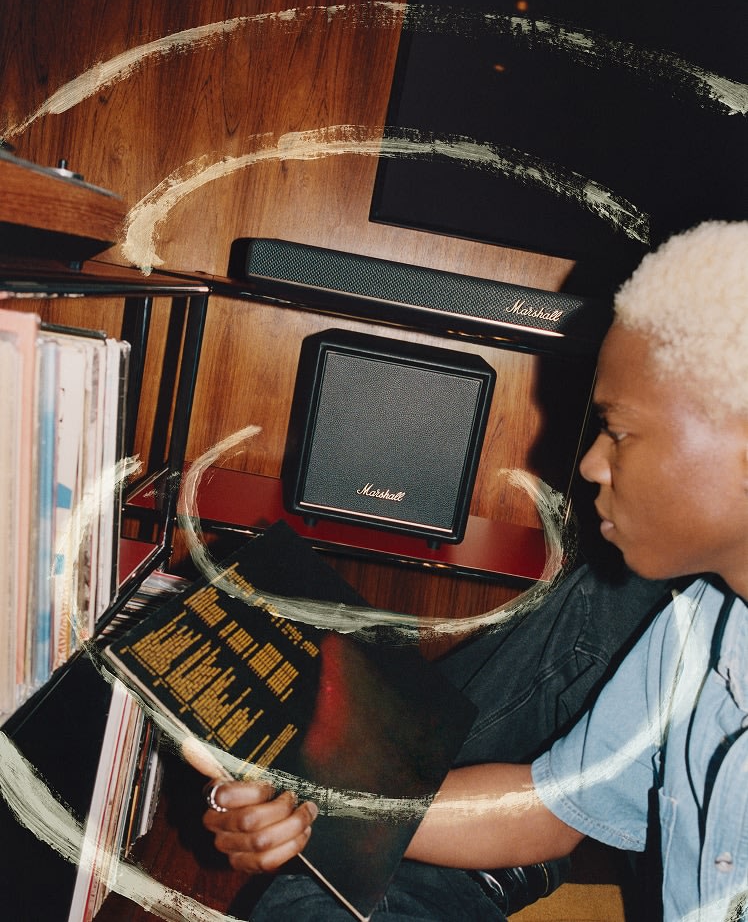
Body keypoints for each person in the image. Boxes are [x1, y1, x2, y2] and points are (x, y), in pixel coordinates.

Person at [198, 220, 748, 921]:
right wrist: (314, 806)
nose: (589, 464)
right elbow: (553, 805)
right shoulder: (693, 627)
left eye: (620, 430)